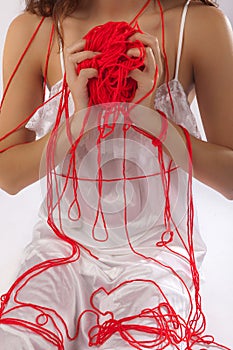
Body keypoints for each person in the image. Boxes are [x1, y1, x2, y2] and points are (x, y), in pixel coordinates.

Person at [0, 0, 232, 349]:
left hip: (155, 257)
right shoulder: (37, 30)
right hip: (61, 251)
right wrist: (77, 123)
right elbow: (8, 175)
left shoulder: (197, 25)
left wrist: (152, 120)